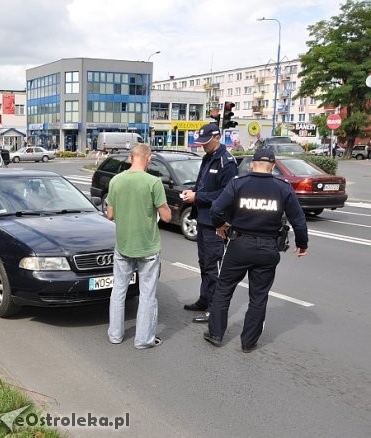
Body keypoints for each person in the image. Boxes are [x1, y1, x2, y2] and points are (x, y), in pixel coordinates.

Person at [203, 148, 308, 352]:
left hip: (239, 245)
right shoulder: (283, 188)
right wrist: (302, 244)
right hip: (268, 249)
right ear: (274, 166)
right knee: (258, 296)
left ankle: (216, 334)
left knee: (223, 289)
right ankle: (248, 343)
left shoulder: (238, 184)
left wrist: (220, 225)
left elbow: (216, 209)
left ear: (252, 164)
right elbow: (298, 220)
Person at [106, 143, 172, 349]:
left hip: (123, 244)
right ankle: (143, 340)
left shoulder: (116, 181)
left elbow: (110, 214)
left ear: (130, 158)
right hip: (148, 247)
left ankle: (115, 335)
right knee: (147, 294)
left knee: (118, 290)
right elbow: (167, 217)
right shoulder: (153, 182)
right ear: (149, 158)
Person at [180, 123, 238, 323]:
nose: (203, 146)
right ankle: (204, 300)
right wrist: (193, 193)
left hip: (216, 222)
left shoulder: (226, 162)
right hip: (203, 220)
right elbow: (202, 185)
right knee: (204, 264)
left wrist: (198, 197)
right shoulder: (208, 157)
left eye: (206, 142)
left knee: (214, 266)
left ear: (217, 137)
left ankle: (214, 308)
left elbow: (226, 194)